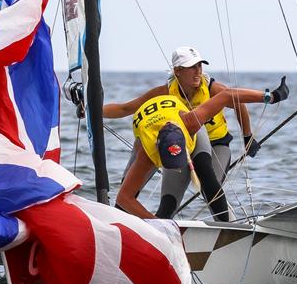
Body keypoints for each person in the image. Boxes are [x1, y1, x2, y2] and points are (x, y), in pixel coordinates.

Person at [115, 79, 289, 221]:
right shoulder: (147, 153)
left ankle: (228, 227)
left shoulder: (192, 121)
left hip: (201, 138)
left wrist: (271, 97)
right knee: (166, 206)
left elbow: (229, 96)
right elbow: (124, 198)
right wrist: (155, 225)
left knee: (207, 180)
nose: (197, 72)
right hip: (155, 135)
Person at [104, 46, 266, 183]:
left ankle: (222, 217)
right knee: (145, 144)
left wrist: (247, 138)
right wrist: (92, 110)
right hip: (180, 145)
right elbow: (125, 109)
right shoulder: (164, 93)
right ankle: (126, 208)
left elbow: (240, 103)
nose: (198, 72)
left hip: (216, 144)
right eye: (192, 67)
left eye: (200, 66)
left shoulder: (213, 89)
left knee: (211, 187)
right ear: (177, 71)